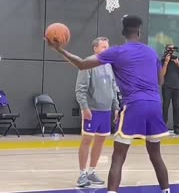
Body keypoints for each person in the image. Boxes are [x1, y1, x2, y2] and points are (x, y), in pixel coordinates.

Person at [45, 15, 170, 193]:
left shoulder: (116, 52)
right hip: (155, 105)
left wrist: (59, 49)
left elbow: (82, 64)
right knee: (156, 155)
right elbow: (160, 81)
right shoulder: (151, 52)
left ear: (123, 32)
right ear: (139, 33)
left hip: (134, 105)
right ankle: (166, 190)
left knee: (118, 157)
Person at [75, 37, 120, 187]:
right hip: (92, 110)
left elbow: (113, 88)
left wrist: (115, 107)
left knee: (100, 142)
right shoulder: (88, 64)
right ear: (95, 48)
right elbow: (80, 89)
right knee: (87, 141)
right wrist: (84, 107)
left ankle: (92, 172)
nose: (107, 49)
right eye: (103, 47)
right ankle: (82, 174)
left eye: (108, 47)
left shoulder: (109, 65)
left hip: (106, 111)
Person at [161, 43, 179, 136]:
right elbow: (162, 73)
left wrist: (178, 63)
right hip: (167, 86)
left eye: (172, 49)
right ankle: (163, 127)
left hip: (177, 87)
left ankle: (177, 128)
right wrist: (166, 62)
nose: (171, 50)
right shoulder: (163, 60)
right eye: (169, 48)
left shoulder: (177, 59)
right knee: (165, 107)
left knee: (177, 107)